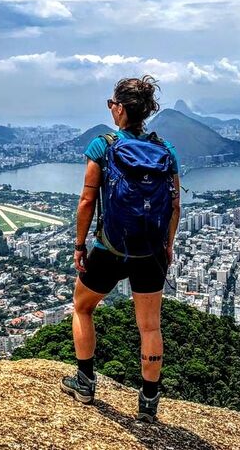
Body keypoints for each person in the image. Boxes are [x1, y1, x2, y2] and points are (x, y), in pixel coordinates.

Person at [60, 75, 181, 423]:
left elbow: (86, 201)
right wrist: (167, 246)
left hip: (109, 247)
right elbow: (175, 206)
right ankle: (148, 402)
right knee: (150, 326)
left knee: (82, 308)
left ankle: (84, 382)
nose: (111, 109)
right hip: (151, 251)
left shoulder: (104, 145)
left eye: (112, 103)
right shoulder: (166, 150)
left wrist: (80, 246)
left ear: (122, 109)